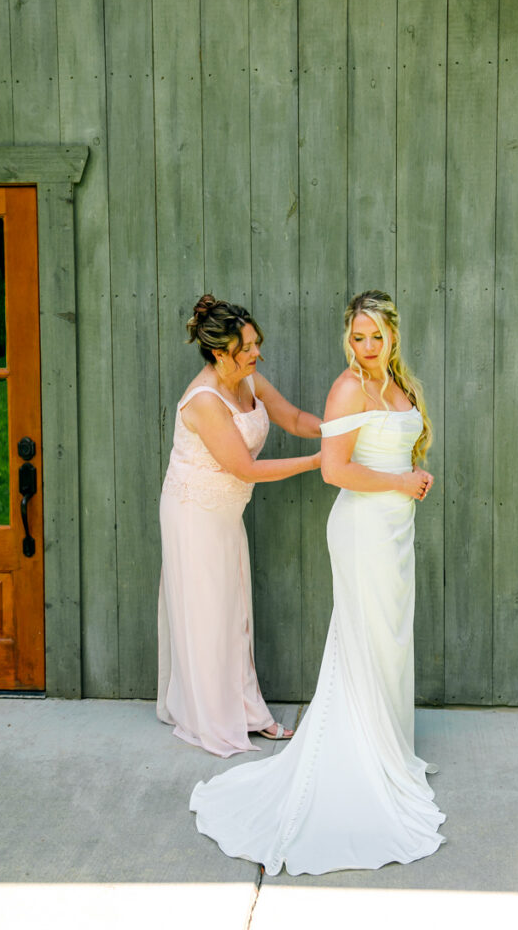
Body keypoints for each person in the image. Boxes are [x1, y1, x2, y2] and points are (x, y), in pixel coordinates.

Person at [190, 290, 446, 875]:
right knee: (366, 635)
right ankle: (363, 757)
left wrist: (407, 484)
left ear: (393, 336)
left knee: (390, 637)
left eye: (376, 336)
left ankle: (391, 748)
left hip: (393, 531)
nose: (368, 346)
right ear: (348, 338)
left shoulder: (399, 386)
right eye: (358, 336)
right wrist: (404, 482)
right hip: (361, 530)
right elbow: (335, 469)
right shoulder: (349, 387)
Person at [157, 295, 321, 758]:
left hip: (226, 511)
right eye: (246, 347)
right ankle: (215, 716)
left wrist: (337, 431)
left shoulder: (247, 378)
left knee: (234, 613)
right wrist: (317, 462)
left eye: (255, 343)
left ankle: (247, 710)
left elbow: (290, 417)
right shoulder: (204, 400)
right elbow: (244, 468)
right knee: (209, 613)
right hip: (194, 510)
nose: (256, 353)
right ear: (218, 352)